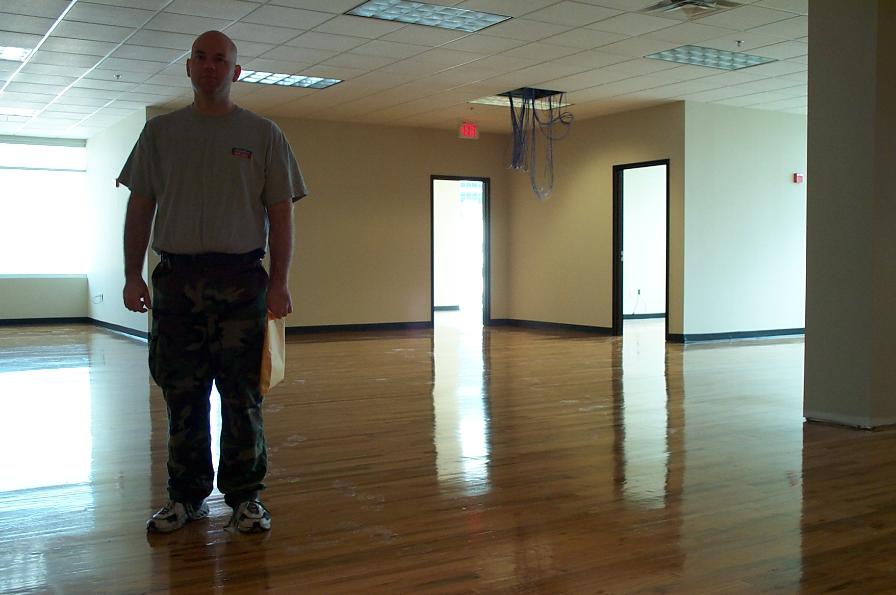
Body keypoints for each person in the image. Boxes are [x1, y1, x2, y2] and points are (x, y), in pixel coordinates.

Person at [118, 30, 307, 534]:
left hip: (241, 281)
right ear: (188, 66)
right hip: (176, 282)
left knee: (242, 396)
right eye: (200, 57)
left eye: (220, 59)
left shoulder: (263, 134)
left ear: (235, 71)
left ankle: (246, 498)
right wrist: (132, 274)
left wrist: (280, 282)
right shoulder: (160, 133)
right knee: (182, 394)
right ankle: (186, 497)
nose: (209, 66)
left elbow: (282, 214)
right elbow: (140, 206)